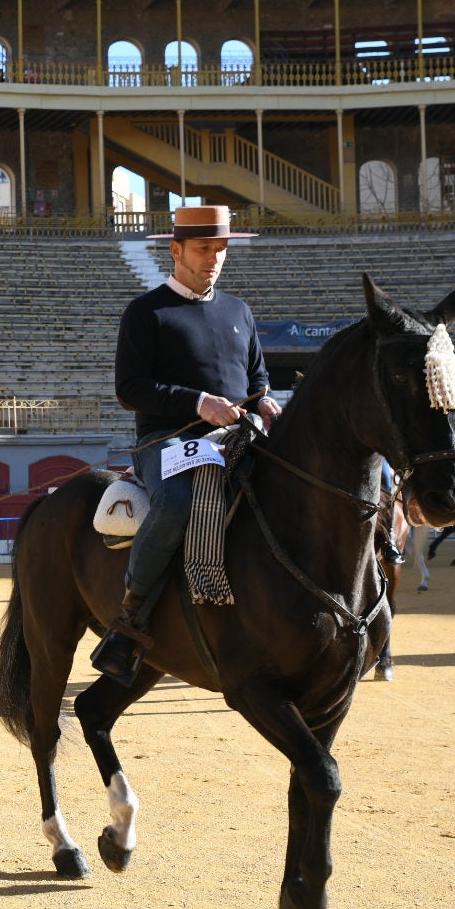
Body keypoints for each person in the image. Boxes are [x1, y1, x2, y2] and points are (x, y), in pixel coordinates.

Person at [92, 205, 281, 684]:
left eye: (220, 249)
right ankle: (129, 618)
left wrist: (265, 403)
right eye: (203, 248)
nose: (213, 258)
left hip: (238, 436)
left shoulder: (239, 309)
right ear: (175, 251)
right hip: (168, 439)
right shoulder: (145, 313)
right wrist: (198, 403)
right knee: (177, 501)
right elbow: (129, 389)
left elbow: (257, 378)